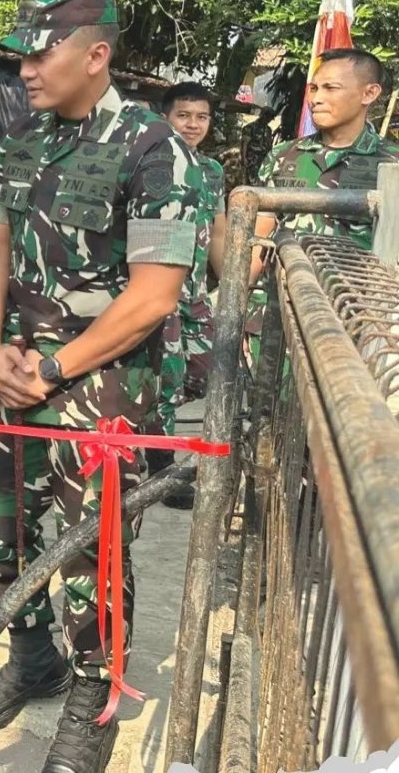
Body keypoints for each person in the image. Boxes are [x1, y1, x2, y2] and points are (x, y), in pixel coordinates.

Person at [0, 0, 200, 773]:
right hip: (12, 376)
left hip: (101, 387)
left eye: (40, 52)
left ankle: (92, 701)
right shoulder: (20, 138)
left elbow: (153, 295)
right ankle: (32, 659)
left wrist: (55, 367)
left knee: (86, 553)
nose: (25, 68)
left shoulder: (154, 148)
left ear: (95, 55)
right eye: (22, 53)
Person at [246, 48, 399, 367]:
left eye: (331, 88)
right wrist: (235, 310)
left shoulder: (391, 164)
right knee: (264, 416)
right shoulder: (284, 157)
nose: (316, 98)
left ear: (369, 93)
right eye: (314, 88)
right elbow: (257, 243)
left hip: (357, 326)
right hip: (278, 321)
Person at [148, 83, 227, 509]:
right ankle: (163, 467)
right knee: (169, 375)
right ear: (166, 118)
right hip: (158, 292)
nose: (193, 124)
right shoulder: (150, 163)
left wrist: (231, 280)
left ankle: (148, 433)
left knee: (206, 368)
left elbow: (218, 232)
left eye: (202, 117)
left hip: (197, 291)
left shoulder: (211, 170)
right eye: (184, 115)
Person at [241, 106, 277, 186]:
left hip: (264, 162)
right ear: (264, 116)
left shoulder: (268, 130)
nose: (269, 121)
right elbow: (245, 144)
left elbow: (269, 146)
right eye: (269, 118)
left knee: (263, 184)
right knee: (251, 183)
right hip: (252, 161)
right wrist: (244, 158)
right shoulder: (250, 128)